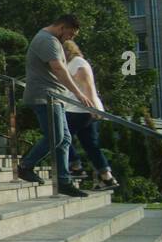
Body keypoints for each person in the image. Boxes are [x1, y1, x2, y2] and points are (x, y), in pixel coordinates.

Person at [16, 14, 96, 197]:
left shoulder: (52, 40)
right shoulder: (47, 41)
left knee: (65, 139)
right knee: (55, 137)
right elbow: (58, 68)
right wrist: (78, 93)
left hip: (55, 97)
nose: (71, 38)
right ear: (61, 27)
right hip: (45, 96)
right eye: (71, 34)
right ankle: (25, 165)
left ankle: (63, 181)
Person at [62, 40, 119, 189]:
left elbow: (88, 84)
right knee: (90, 145)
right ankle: (107, 178)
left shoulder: (77, 63)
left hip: (80, 110)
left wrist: (93, 107)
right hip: (85, 109)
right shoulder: (74, 63)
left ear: (66, 51)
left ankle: (75, 166)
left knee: (59, 136)